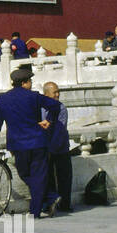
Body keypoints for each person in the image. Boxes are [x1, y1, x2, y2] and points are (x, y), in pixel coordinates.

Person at [0, 67, 61, 218]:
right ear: (24, 83)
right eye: (30, 81)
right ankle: (49, 198)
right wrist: (48, 120)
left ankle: (38, 208)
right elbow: (56, 106)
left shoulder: (3, 99)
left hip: (18, 144)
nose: (31, 84)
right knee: (39, 176)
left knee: (25, 174)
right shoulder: (34, 96)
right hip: (37, 141)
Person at [40, 82, 72, 214]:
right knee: (49, 178)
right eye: (55, 92)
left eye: (58, 92)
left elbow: (60, 130)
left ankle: (65, 204)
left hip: (60, 146)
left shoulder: (61, 108)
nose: (58, 94)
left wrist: (51, 148)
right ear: (46, 94)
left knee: (64, 176)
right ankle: (50, 203)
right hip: (46, 147)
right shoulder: (40, 108)